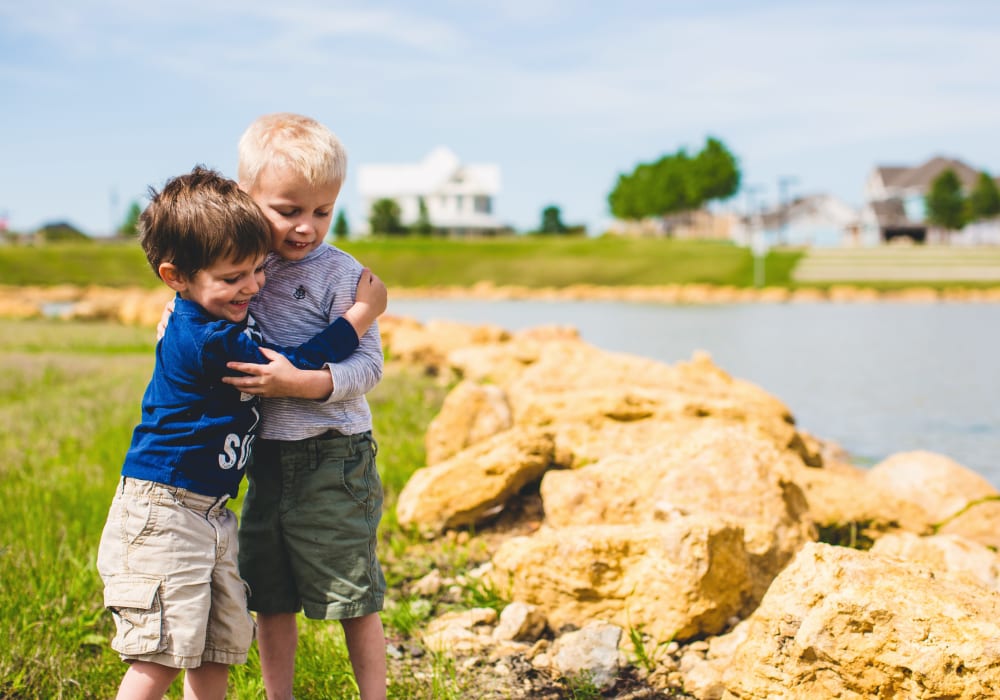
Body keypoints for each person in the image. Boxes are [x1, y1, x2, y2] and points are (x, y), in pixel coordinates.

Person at [97, 165, 386, 700]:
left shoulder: (219, 310)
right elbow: (289, 364)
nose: (253, 286)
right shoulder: (210, 339)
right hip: (166, 509)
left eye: (257, 270)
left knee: (215, 645)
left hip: (209, 509)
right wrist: (360, 315)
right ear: (175, 277)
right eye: (234, 279)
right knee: (160, 651)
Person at [221, 113, 389, 700]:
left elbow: (368, 367)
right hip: (262, 458)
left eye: (322, 211)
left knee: (353, 591)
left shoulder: (343, 275)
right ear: (246, 197)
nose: (306, 228)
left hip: (333, 457)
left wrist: (305, 384)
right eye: (288, 210)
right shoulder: (238, 268)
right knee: (268, 591)